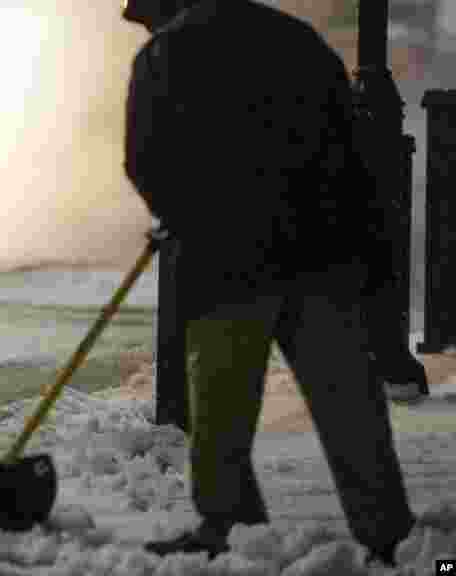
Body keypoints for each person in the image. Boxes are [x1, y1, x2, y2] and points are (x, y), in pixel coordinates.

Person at [122, 0, 415, 565]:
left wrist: (183, 215)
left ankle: (225, 529)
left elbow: (144, 157)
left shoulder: (164, 54)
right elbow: (353, 151)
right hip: (321, 255)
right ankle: (388, 537)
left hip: (226, 261)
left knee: (219, 406)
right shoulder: (297, 41)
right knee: (350, 406)